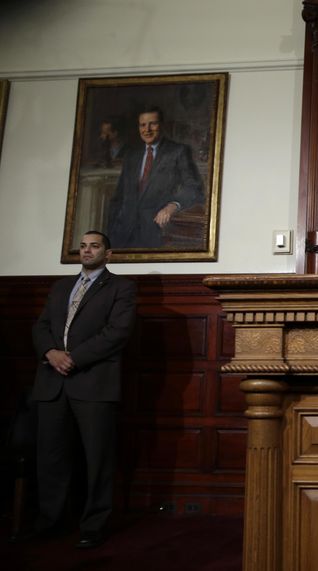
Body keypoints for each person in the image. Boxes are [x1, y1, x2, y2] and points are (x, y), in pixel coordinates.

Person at [29, 231, 137, 549]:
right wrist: (51, 352)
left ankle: (93, 525)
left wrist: (73, 358)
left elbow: (117, 333)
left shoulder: (122, 288)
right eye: (84, 246)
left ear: (109, 253)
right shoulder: (61, 286)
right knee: (50, 457)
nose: (87, 251)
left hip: (93, 382)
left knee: (97, 459)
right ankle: (51, 520)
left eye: (95, 246)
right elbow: (41, 326)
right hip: (52, 381)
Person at [107, 106, 204, 248]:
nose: (147, 129)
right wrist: (110, 234)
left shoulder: (178, 151)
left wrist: (172, 206)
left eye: (153, 123)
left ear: (162, 125)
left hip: (156, 232)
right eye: (142, 125)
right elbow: (118, 197)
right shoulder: (131, 155)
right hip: (122, 233)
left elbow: (194, 187)